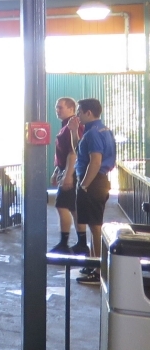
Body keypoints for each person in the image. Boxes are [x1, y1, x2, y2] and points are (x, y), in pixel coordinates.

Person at [70, 98, 116, 285]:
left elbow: (95, 161)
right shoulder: (102, 130)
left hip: (93, 182)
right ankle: (93, 263)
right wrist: (74, 131)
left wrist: (84, 185)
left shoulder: (93, 133)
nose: (78, 115)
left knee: (96, 226)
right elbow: (80, 150)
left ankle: (98, 271)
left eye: (79, 111)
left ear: (88, 113)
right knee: (92, 223)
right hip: (97, 181)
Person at [49, 97, 83, 253]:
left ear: (71, 109)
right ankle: (82, 243)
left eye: (60, 107)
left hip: (72, 172)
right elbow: (64, 153)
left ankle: (64, 243)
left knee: (62, 206)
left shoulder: (72, 125)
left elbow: (73, 152)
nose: (57, 110)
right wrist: (57, 171)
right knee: (74, 208)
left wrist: (68, 175)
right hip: (67, 170)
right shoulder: (66, 126)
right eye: (56, 107)